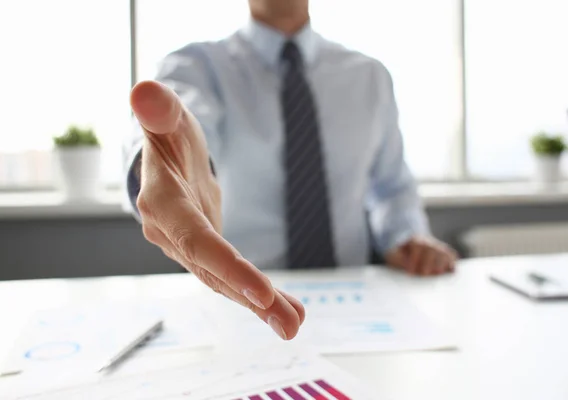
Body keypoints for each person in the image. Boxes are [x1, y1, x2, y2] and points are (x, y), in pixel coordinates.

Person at [124, 0, 458, 341]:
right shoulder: (197, 67)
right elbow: (179, 123)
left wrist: (405, 237)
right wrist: (158, 166)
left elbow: (390, 186)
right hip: (245, 309)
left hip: (363, 307)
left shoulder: (370, 76)